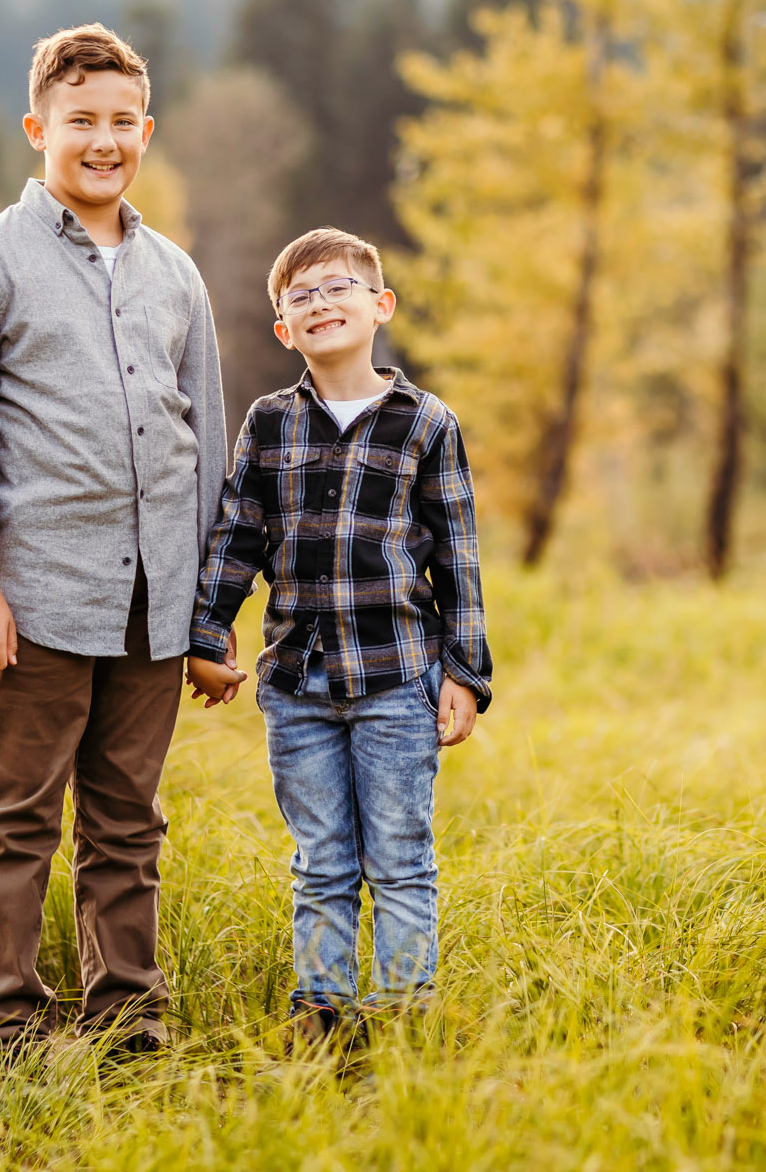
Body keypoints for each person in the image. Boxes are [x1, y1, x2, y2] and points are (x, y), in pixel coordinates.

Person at [0, 23, 234, 1061]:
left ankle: (127, 1018)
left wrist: (207, 616)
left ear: (147, 129)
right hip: (34, 596)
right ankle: (3, 1023)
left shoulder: (174, 274)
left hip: (153, 603)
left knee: (127, 824)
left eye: (120, 122)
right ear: (36, 127)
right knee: (13, 819)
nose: (102, 141)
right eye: (78, 121)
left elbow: (208, 440)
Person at [186, 227, 492, 1048]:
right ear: (284, 329)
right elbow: (237, 536)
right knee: (320, 862)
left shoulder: (426, 424)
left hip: (398, 681)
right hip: (299, 687)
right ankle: (322, 1016)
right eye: (301, 297)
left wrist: (465, 671)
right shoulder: (270, 423)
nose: (321, 303)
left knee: (399, 858)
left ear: (379, 306)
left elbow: (457, 553)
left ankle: (401, 1017)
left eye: (338, 288)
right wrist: (208, 632)